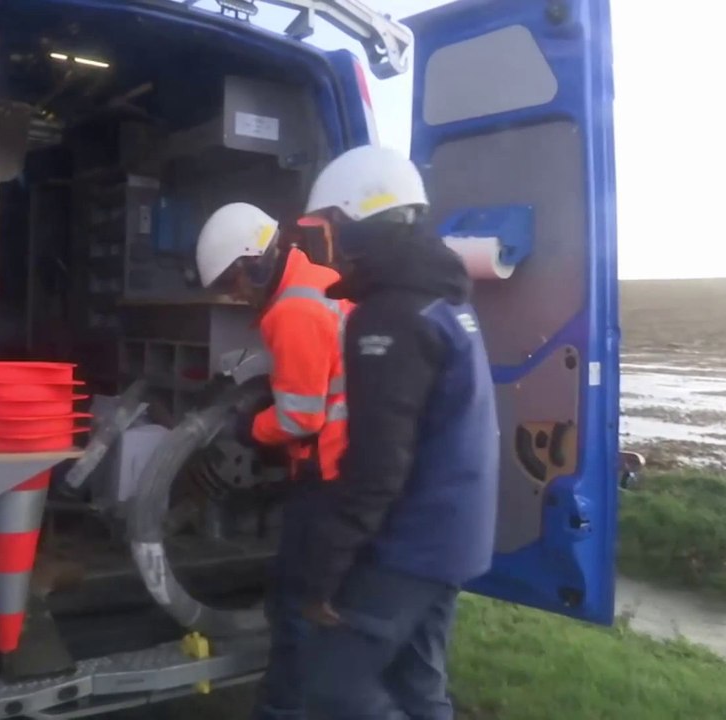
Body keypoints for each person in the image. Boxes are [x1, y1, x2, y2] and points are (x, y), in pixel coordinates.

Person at [298, 145, 500, 720]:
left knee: (332, 689)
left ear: (362, 220)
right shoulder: (441, 299)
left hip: (413, 541)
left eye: (331, 226)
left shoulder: (388, 317)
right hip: (457, 536)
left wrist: (324, 570)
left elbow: (379, 463)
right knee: (418, 687)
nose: (327, 243)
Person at [194, 202, 351, 720]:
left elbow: (301, 419)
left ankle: (286, 708)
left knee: (293, 606)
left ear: (253, 263)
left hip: (327, 477)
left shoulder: (293, 311)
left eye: (234, 282)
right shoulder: (319, 281)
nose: (236, 295)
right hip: (351, 469)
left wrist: (250, 427)